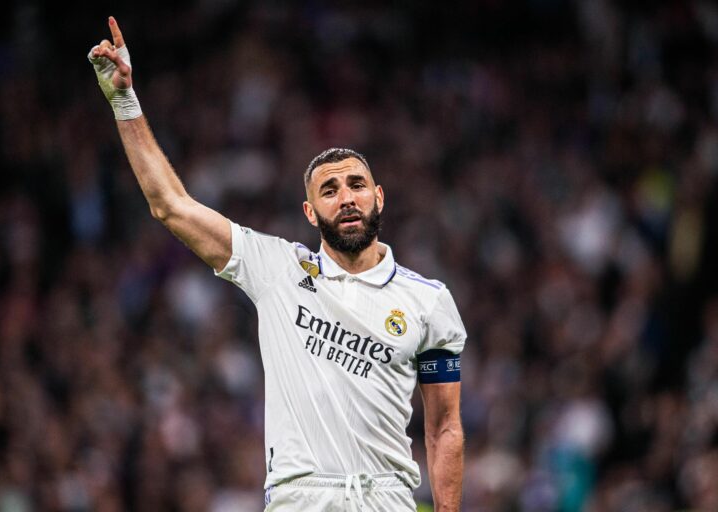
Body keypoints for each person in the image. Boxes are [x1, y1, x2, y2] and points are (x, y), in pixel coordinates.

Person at [88, 16, 467, 512]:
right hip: (299, 498)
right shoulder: (277, 268)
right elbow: (171, 206)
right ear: (310, 212)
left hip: (387, 497)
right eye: (329, 190)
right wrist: (124, 101)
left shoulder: (429, 301)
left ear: (379, 197)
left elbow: (444, 428)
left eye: (356, 185)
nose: (346, 198)